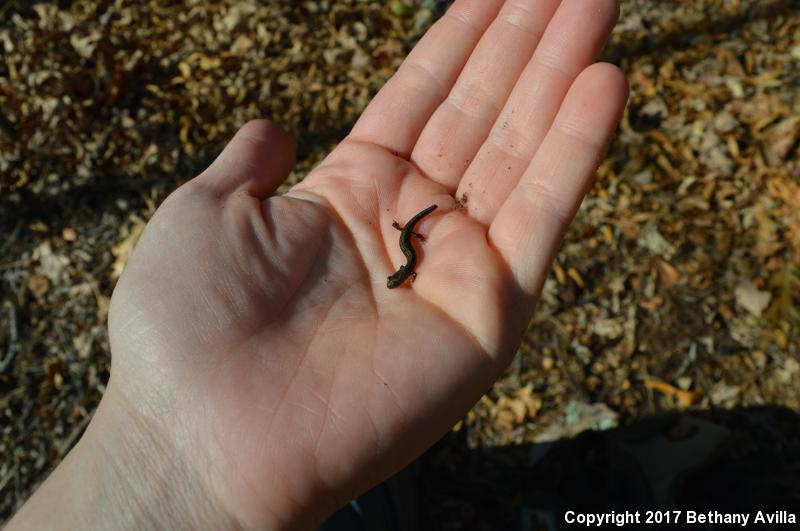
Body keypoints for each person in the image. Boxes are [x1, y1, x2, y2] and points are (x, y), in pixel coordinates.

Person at [6, 0, 628, 528]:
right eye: (395, 278)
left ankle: (388, 494)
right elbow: (407, 256)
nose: (396, 278)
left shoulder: (408, 268)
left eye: (396, 277)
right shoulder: (405, 270)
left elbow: (410, 255)